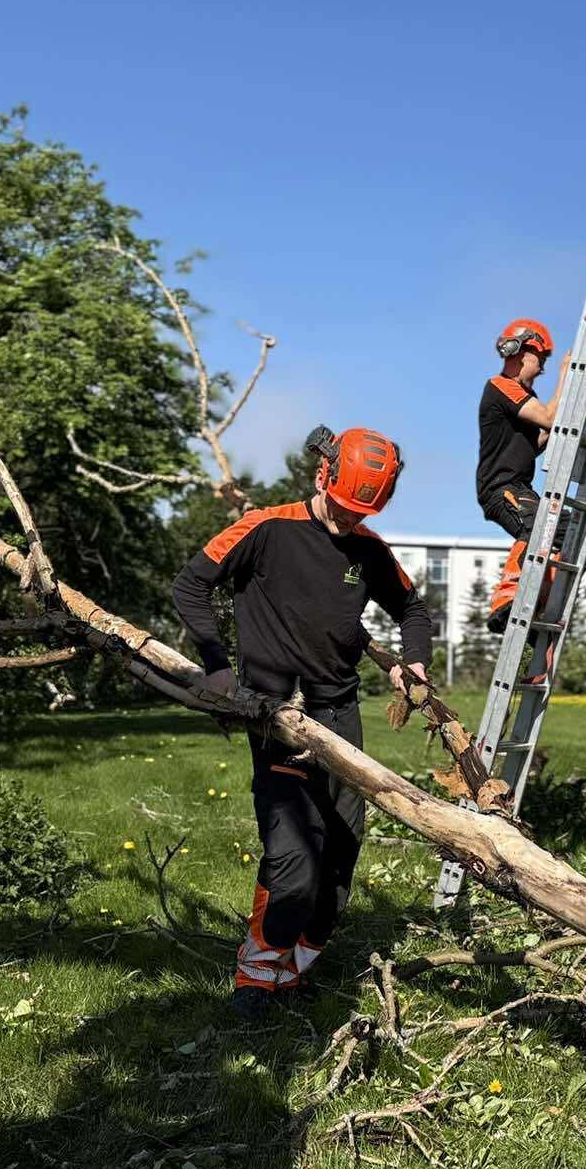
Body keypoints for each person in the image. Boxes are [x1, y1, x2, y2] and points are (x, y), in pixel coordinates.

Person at [171, 426, 432, 1029]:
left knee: (340, 848)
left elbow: (411, 609)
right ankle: (256, 977)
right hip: (278, 713)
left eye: (361, 512)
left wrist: (412, 660)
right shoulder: (267, 528)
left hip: (339, 712)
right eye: (343, 506)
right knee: (294, 853)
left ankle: (295, 971)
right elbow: (192, 586)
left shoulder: (368, 548)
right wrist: (216, 667)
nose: (347, 521)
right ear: (323, 476)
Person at [475, 318, 569, 543]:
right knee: (536, 534)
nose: (543, 368)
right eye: (541, 358)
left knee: (568, 531)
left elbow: (530, 446)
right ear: (520, 350)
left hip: (520, 488)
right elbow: (548, 418)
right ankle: (513, 578)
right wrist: (567, 374)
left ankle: (549, 579)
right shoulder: (502, 386)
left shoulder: (527, 398)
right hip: (502, 488)